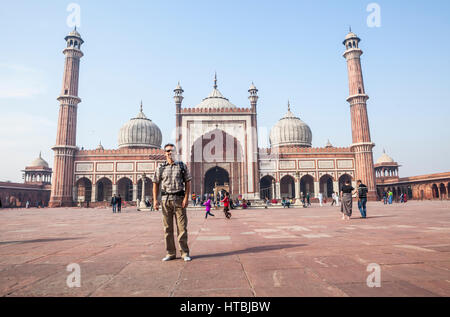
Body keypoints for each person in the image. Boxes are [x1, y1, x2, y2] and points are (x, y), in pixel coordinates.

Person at [153, 143, 192, 262]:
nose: (170, 152)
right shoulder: (160, 168)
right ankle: (170, 253)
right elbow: (155, 183)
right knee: (167, 229)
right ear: (164, 153)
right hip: (165, 200)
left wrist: (186, 198)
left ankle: (184, 253)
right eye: (167, 151)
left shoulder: (182, 166)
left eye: (172, 150)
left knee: (182, 228)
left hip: (179, 200)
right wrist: (155, 200)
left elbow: (188, 182)